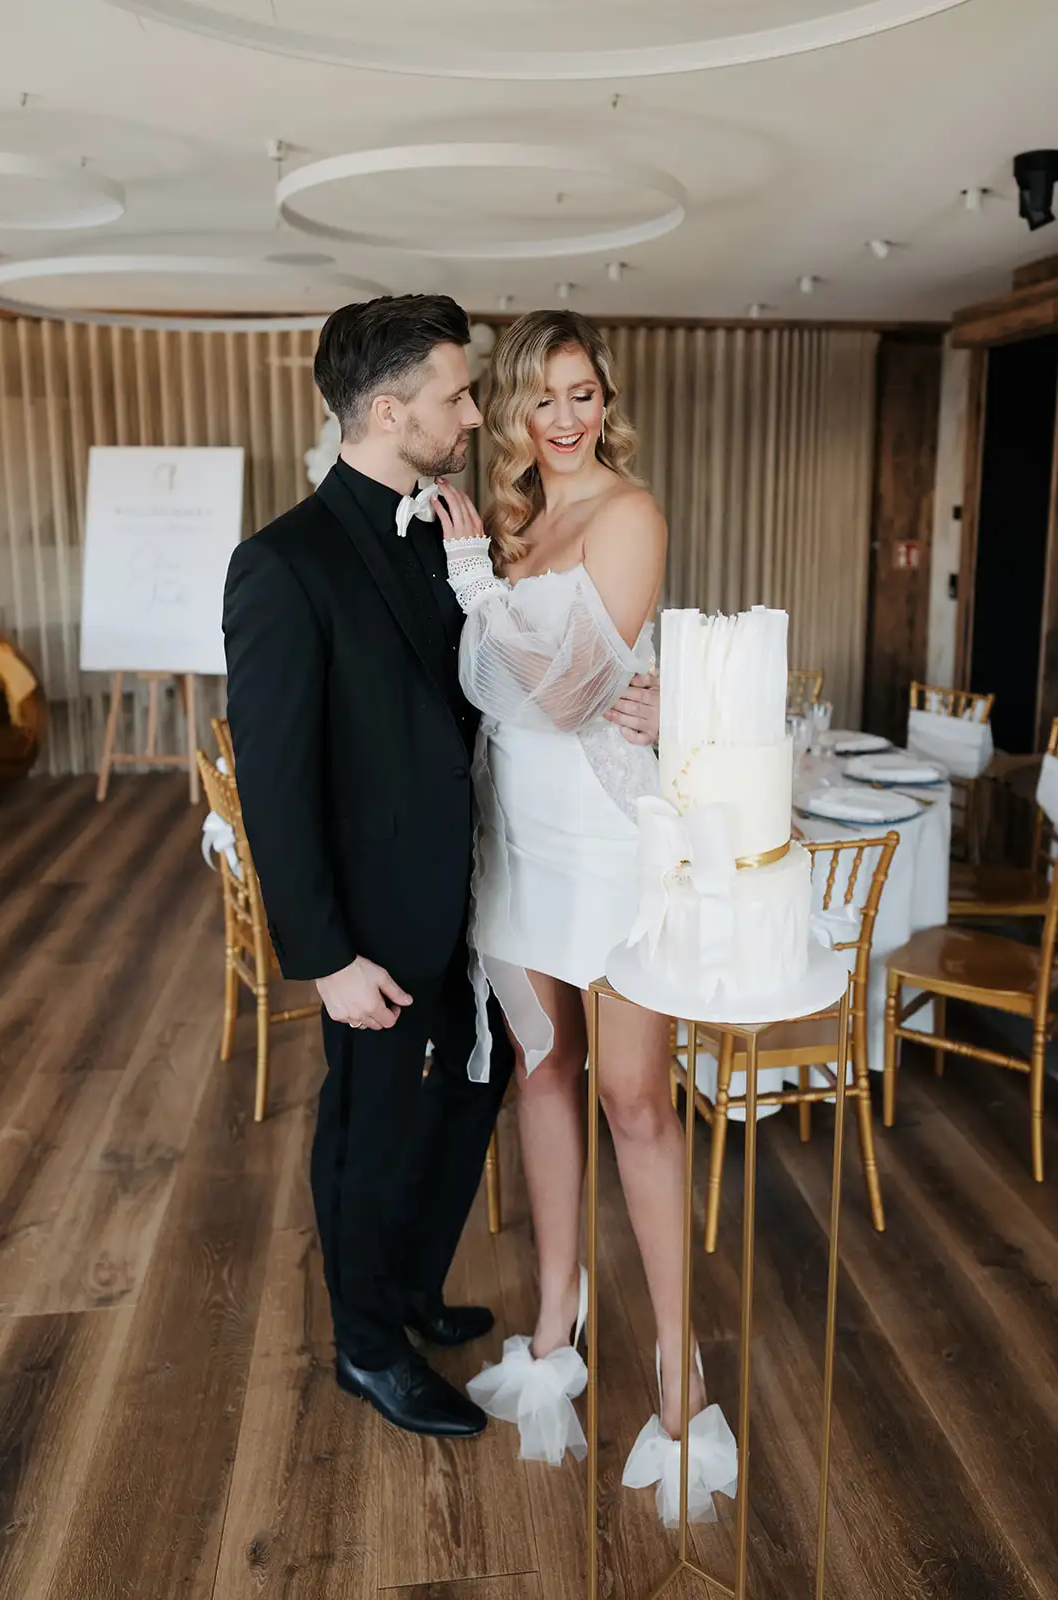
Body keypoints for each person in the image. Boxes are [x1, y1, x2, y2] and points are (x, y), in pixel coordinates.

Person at [222, 294, 659, 1441]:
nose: (475, 415)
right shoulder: (282, 563)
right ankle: (367, 1346)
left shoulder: (455, 527)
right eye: (457, 397)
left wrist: (649, 697)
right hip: (372, 925)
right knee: (368, 1128)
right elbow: (274, 784)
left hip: (479, 895)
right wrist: (325, 956)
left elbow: (512, 685)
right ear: (388, 410)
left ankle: (413, 1285)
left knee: (467, 1104)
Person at [431, 310, 718, 1491]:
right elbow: (514, 699)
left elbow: (566, 694)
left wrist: (469, 584)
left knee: (631, 1097)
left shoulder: (626, 514)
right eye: (542, 397)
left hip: (601, 836)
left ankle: (674, 1354)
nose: (564, 417)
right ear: (513, 408)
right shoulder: (515, 523)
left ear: (606, 400)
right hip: (515, 832)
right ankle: (556, 1306)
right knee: (537, 1071)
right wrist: (479, 566)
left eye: (582, 392)